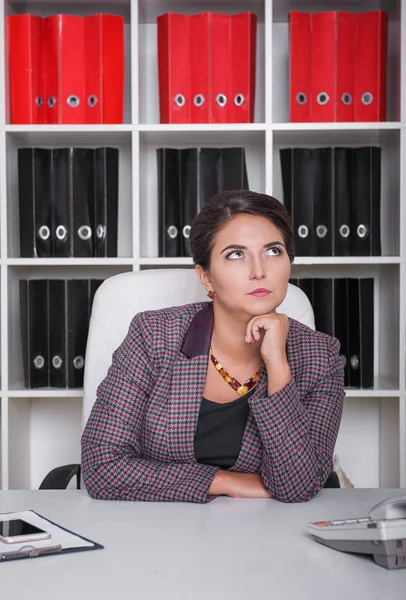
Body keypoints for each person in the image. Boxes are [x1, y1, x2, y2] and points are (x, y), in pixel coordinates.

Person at [81, 190, 345, 503]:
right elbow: (101, 467)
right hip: (157, 531)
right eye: (236, 254)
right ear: (206, 277)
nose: (259, 270)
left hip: (268, 535)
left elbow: (298, 486)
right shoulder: (153, 336)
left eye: (273, 251)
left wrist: (277, 364)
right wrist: (223, 481)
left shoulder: (320, 356)